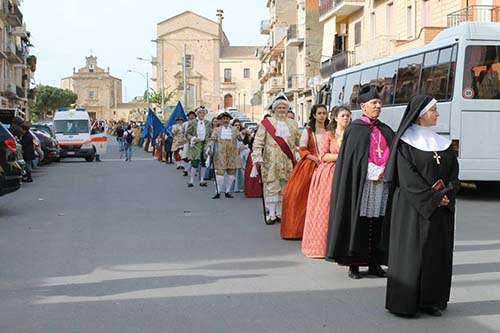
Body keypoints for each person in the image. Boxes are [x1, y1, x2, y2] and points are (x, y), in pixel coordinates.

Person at [384, 95, 460, 317]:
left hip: (440, 210)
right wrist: (434, 198)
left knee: (437, 254)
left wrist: (447, 194)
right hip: (412, 208)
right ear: (420, 114)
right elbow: (407, 179)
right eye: (434, 110)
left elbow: (454, 173)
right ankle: (406, 302)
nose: (437, 114)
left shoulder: (443, 143)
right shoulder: (404, 143)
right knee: (413, 255)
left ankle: (432, 301)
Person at [325, 84, 395, 279]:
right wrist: (372, 171)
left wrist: (386, 170)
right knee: (359, 221)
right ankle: (354, 264)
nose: (378, 106)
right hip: (361, 184)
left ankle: (375, 262)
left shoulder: (385, 129)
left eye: (380, 103)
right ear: (363, 107)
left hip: (382, 184)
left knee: (377, 221)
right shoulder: (355, 130)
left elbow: (394, 152)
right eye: (374, 103)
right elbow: (353, 160)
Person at [302, 106, 351, 258]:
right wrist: (342, 156)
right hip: (329, 173)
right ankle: (321, 246)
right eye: (343, 115)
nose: (346, 118)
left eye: (348, 116)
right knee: (326, 207)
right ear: (336, 118)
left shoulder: (352, 134)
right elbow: (323, 156)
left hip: (347, 171)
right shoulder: (329, 135)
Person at [251, 94, 301, 225]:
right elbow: (258, 142)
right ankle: (271, 214)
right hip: (271, 160)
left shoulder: (293, 123)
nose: (282, 109)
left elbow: (299, 141)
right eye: (279, 107)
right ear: (275, 109)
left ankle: (280, 213)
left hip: (287, 161)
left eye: (284, 107)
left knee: (284, 187)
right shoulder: (266, 124)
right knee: (272, 186)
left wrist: (301, 152)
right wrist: (257, 157)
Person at [280, 104, 328, 239]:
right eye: (319, 113)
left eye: (324, 113)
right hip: (311, 164)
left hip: (328, 164)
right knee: (299, 195)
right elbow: (302, 149)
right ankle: (299, 229)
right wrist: (315, 158)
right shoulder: (308, 131)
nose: (322, 116)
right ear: (314, 115)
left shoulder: (330, 130)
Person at [207, 112, 242, 199]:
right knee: (219, 173)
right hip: (220, 154)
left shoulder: (234, 129)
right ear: (221, 120)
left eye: (227, 119)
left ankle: (227, 191)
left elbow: (240, 138)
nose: (225, 120)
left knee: (232, 173)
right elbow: (212, 139)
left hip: (232, 154)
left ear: (229, 120)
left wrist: (244, 135)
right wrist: (209, 148)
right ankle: (218, 191)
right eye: (224, 119)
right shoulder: (217, 130)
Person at [186, 107, 212, 187]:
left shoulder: (208, 123)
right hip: (196, 145)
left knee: (204, 162)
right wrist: (193, 139)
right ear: (197, 114)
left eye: (203, 113)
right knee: (195, 163)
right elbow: (187, 134)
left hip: (205, 144)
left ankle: (202, 180)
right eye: (200, 113)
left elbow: (210, 134)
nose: (202, 114)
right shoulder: (192, 122)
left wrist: (210, 143)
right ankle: (192, 180)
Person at [181, 111, 196, 176]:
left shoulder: (197, 123)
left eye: (193, 115)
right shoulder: (185, 124)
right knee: (185, 156)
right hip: (186, 141)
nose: (191, 117)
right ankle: (186, 169)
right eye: (190, 115)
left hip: (195, 142)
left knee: (194, 157)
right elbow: (182, 133)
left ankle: (193, 170)